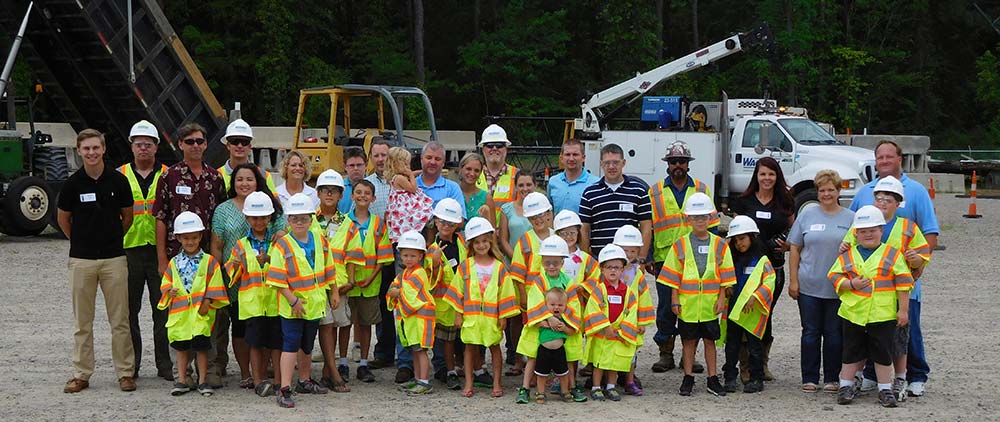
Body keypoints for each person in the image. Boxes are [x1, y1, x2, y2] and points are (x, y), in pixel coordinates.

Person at [849, 140, 939, 398]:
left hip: (904, 282)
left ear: (900, 158)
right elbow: (851, 230)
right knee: (872, 331)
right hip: (872, 286)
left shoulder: (917, 191)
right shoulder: (865, 191)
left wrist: (919, 265)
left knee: (907, 331)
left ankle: (916, 375)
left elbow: (930, 232)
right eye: (880, 157)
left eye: (890, 156)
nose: (885, 161)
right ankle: (871, 375)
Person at [58, 129, 137, 394]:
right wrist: (81, 241)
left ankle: (125, 373)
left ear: (103, 149)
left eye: (95, 148)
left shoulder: (118, 181)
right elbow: (63, 220)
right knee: (83, 322)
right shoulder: (71, 185)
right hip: (81, 261)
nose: (91, 153)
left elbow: (128, 217)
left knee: (120, 320)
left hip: (114, 259)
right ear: (79, 151)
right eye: (86, 149)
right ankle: (81, 374)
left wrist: (111, 239)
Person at [153, 123, 227, 387]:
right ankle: (181, 373)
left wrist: (217, 257)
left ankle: (212, 370)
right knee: (180, 316)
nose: (195, 145)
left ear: (206, 144)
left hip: (206, 260)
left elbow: (220, 217)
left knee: (210, 315)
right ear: (180, 144)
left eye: (200, 141)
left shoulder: (215, 177)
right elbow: (160, 218)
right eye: (190, 141)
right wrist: (162, 259)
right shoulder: (169, 177)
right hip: (178, 259)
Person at [210, 163, 287, 390]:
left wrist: (280, 234)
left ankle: (266, 373)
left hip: (270, 285)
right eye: (240, 179)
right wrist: (220, 277)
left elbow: (284, 235)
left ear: (258, 182)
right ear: (233, 183)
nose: (244, 183)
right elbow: (216, 246)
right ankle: (247, 374)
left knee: (270, 329)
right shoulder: (223, 210)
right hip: (237, 281)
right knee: (242, 329)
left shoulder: (272, 207)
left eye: (249, 179)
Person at [830, 206, 913, 408]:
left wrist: (903, 311)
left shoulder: (892, 254)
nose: (868, 234)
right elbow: (834, 275)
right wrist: (850, 285)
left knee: (882, 353)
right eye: (863, 231)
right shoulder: (848, 255)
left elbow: (904, 283)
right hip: (853, 313)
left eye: (873, 230)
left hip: (881, 315)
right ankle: (846, 386)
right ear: (856, 233)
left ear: (881, 231)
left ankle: (884, 389)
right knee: (851, 352)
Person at [648, 140, 716, 374]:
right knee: (667, 307)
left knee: (691, 307)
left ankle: (690, 354)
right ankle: (665, 353)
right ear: (668, 165)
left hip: (696, 259)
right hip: (665, 259)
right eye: (674, 161)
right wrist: (648, 256)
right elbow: (649, 227)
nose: (678, 165)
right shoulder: (654, 191)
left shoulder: (702, 189)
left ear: (688, 164)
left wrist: (715, 256)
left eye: (682, 161)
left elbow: (713, 226)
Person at [657, 192, 735, 397]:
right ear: (687, 219)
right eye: (695, 217)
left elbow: (725, 277)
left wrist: (721, 299)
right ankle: (688, 377)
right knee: (688, 342)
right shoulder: (680, 245)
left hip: (709, 305)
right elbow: (673, 276)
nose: (700, 220)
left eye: (703, 216)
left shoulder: (720, 245)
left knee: (710, 342)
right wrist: (674, 300)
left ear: (711, 218)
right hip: (688, 305)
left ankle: (712, 378)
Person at [266, 193, 339, 408]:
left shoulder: (319, 240)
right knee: (290, 345)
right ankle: (285, 388)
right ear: (288, 220)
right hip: (293, 307)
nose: (299, 222)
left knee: (307, 345)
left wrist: (333, 292)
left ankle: (304, 380)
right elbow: (277, 280)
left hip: (313, 304)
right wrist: (292, 301)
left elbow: (329, 269)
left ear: (311, 219)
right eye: (295, 218)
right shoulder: (283, 245)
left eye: (304, 218)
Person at [787, 170, 854, 393]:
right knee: (810, 333)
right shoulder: (807, 215)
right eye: (822, 190)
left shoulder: (850, 218)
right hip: (809, 285)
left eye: (831, 189)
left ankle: (832, 377)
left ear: (838, 191)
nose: (826, 194)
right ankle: (810, 377)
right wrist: (793, 280)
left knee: (835, 334)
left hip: (839, 288)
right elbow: (795, 247)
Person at [729, 156, 794, 381]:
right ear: (756, 176)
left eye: (771, 174)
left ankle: (762, 364)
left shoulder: (785, 202)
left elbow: (793, 231)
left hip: (773, 270)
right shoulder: (743, 202)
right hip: (746, 270)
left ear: (778, 176)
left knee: (765, 314)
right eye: (763, 174)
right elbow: (736, 234)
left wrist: (786, 244)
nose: (767, 178)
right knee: (743, 312)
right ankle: (745, 365)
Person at [443, 217, 520, 398]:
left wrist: (504, 317)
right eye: (477, 242)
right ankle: (469, 383)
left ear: (491, 242)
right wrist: (458, 314)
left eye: (485, 241)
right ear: (471, 244)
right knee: (469, 349)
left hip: (492, 317)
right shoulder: (466, 267)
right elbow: (458, 291)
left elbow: (505, 294)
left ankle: (496, 384)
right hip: (471, 317)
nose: (481, 245)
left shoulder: (500, 268)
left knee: (494, 349)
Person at [118, 120, 171, 381]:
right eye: (138, 144)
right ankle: (132, 365)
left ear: (156, 147)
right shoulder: (119, 175)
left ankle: (166, 365)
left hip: (160, 252)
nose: (143, 149)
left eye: (147, 144)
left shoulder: (169, 175)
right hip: (129, 251)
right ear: (132, 146)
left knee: (163, 311)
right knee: (128, 312)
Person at [158, 212, 230, 397]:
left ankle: (203, 380)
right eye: (186, 238)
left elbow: (216, 283)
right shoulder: (174, 262)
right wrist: (168, 291)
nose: (190, 242)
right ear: (179, 238)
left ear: (200, 237)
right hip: (181, 316)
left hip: (200, 314)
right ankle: (182, 380)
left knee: (203, 348)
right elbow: (166, 282)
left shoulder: (209, 261)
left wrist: (208, 301)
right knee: (181, 349)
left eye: (194, 238)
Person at [224, 192, 284, 398]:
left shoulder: (278, 242)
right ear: (247, 219)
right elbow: (231, 272)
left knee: (277, 343)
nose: (259, 221)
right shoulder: (241, 245)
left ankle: (278, 380)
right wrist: (236, 265)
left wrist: (269, 259)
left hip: (275, 302)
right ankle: (258, 380)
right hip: (253, 304)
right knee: (255, 343)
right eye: (254, 218)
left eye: (263, 217)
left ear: (269, 218)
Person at [514, 236, 586, 404]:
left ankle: (570, 387)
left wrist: (562, 322)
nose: (551, 266)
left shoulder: (568, 282)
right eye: (547, 263)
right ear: (542, 262)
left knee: (568, 358)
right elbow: (534, 302)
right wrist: (548, 319)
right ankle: (525, 388)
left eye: (555, 262)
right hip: (541, 326)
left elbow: (574, 303)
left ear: (562, 262)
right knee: (532, 358)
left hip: (561, 326)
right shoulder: (538, 281)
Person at [335, 178, 392, 386]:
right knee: (345, 323)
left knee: (367, 324)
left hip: (369, 283)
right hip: (347, 285)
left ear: (373, 198)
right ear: (352, 195)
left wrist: (371, 276)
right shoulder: (343, 222)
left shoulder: (378, 224)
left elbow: (383, 256)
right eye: (358, 192)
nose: (362, 196)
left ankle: (363, 364)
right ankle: (342, 362)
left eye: (367, 193)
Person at [721, 216, 776, 394]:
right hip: (735, 311)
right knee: (732, 346)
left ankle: (756, 378)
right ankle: (730, 378)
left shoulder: (762, 260)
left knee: (755, 348)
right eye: (736, 240)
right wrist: (727, 288)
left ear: (753, 237)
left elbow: (770, 281)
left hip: (752, 312)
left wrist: (756, 297)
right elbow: (723, 277)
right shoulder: (731, 259)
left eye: (743, 239)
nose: (739, 244)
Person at [310, 169, 353, 392]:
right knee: (325, 327)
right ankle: (334, 373)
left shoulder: (347, 222)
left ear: (340, 195)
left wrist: (350, 282)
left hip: (339, 284)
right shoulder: (308, 219)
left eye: (334, 191)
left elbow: (352, 255)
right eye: (325, 190)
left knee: (334, 326)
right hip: (315, 283)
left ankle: (328, 372)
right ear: (318, 193)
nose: (329, 194)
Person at [583, 245, 641, 402]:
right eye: (609, 267)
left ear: (623, 269)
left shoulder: (627, 291)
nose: (613, 271)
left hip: (618, 334)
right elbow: (593, 309)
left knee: (614, 363)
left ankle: (611, 386)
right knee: (599, 362)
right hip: (603, 334)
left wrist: (622, 330)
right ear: (602, 269)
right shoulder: (598, 290)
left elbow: (632, 311)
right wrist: (605, 327)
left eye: (616, 267)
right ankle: (596, 387)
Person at [507, 192, 556, 376]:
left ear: (549, 214)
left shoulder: (556, 237)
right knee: (528, 330)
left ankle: (547, 366)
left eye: (542, 214)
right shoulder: (525, 240)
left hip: (553, 294)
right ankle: (521, 361)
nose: (539, 219)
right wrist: (523, 296)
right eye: (534, 217)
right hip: (531, 295)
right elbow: (518, 272)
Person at [578, 143, 652, 258]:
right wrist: (586, 260)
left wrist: (641, 259)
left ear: (623, 163)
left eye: (616, 162)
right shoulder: (589, 193)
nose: (611, 166)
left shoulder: (639, 191)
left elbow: (646, 227)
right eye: (607, 163)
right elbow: (584, 230)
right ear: (601, 164)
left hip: (630, 261)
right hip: (599, 261)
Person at [387, 230, 437, 395]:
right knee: (415, 350)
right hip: (413, 319)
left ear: (421, 256)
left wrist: (397, 291)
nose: (408, 259)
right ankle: (418, 379)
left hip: (421, 318)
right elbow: (393, 287)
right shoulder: (404, 273)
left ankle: (424, 381)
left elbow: (405, 292)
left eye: (412, 256)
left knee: (421, 351)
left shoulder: (419, 273)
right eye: (405, 255)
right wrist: (396, 290)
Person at [425, 198, 467, 389]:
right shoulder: (432, 249)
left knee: (465, 340)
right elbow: (430, 279)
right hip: (445, 305)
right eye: (442, 222)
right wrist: (434, 262)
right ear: (435, 221)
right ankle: (449, 372)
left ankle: (465, 368)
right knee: (447, 342)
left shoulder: (462, 243)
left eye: (450, 223)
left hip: (465, 301)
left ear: (457, 223)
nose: (446, 226)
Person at [610, 225, 655, 396]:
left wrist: (642, 321)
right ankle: (608, 382)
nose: (628, 255)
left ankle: (629, 380)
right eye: (625, 250)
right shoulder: (609, 270)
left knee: (630, 352)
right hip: (612, 319)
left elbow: (644, 299)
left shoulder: (638, 274)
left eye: (632, 251)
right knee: (609, 350)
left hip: (631, 320)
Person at [532, 288, 578, 404]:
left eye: (560, 305)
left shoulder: (565, 319)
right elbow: (534, 322)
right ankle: (541, 392)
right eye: (552, 305)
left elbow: (572, 331)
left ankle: (565, 391)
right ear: (546, 305)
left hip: (559, 350)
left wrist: (564, 328)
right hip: (544, 350)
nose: (556, 307)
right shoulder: (543, 317)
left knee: (563, 373)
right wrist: (546, 324)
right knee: (541, 374)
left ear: (565, 306)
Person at [386, 146, 435, 243]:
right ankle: (429, 240)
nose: (408, 166)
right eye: (406, 164)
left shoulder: (399, 176)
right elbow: (413, 189)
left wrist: (421, 172)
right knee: (426, 214)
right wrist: (411, 175)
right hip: (405, 209)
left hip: (403, 206)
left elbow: (412, 173)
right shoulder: (399, 178)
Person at [216, 118, 278, 194]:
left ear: (250, 146)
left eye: (244, 142)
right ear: (228, 145)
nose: (239, 146)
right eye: (235, 141)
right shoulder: (217, 175)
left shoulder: (264, 175)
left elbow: (274, 204)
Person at [547, 139, 599, 215]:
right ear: (561, 158)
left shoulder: (596, 184)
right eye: (567, 155)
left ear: (583, 157)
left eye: (575, 154)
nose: (571, 159)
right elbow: (549, 213)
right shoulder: (553, 182)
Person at [498, 170, 541, 259]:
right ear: (516, 187)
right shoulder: (506, 209)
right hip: (513, 262)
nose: (525, 189)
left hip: (537, 262)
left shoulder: (543, 208)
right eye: (521, 185)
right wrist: (517, 260)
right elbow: (503, 240)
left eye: (529, 185)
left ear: (535, 185)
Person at [476, 124, 518, 208]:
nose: (494, 148)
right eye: (489, 145)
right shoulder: (473, 174)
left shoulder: (518, 175)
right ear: (483, 149)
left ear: (506, 148)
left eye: (499, 145)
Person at [416, 141, 465, 211]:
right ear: (421, 159)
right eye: (429, 158)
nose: (433, 162)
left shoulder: (452, 189)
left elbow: (460, 219)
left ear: (443, 163)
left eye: (437, 159)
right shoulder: (409, 185)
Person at [458, 153, 491, 220]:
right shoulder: (451, 193)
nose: (472, 174)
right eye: (468, 169)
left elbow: (492, 229)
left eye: (476, 170)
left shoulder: (486, 198)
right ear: (461, 168)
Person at [365, 140, 392, 218]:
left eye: (384, 155)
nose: (380, 159)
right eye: (376, 156)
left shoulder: (403, 183)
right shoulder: (365, 185)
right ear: (370, 158)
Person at [340, 147, 368, 213]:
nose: (356, 168)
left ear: (366, 165)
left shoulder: (374, 186)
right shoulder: (340, 188)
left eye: (359, 165)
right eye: (352, 165)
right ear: (345, 166)